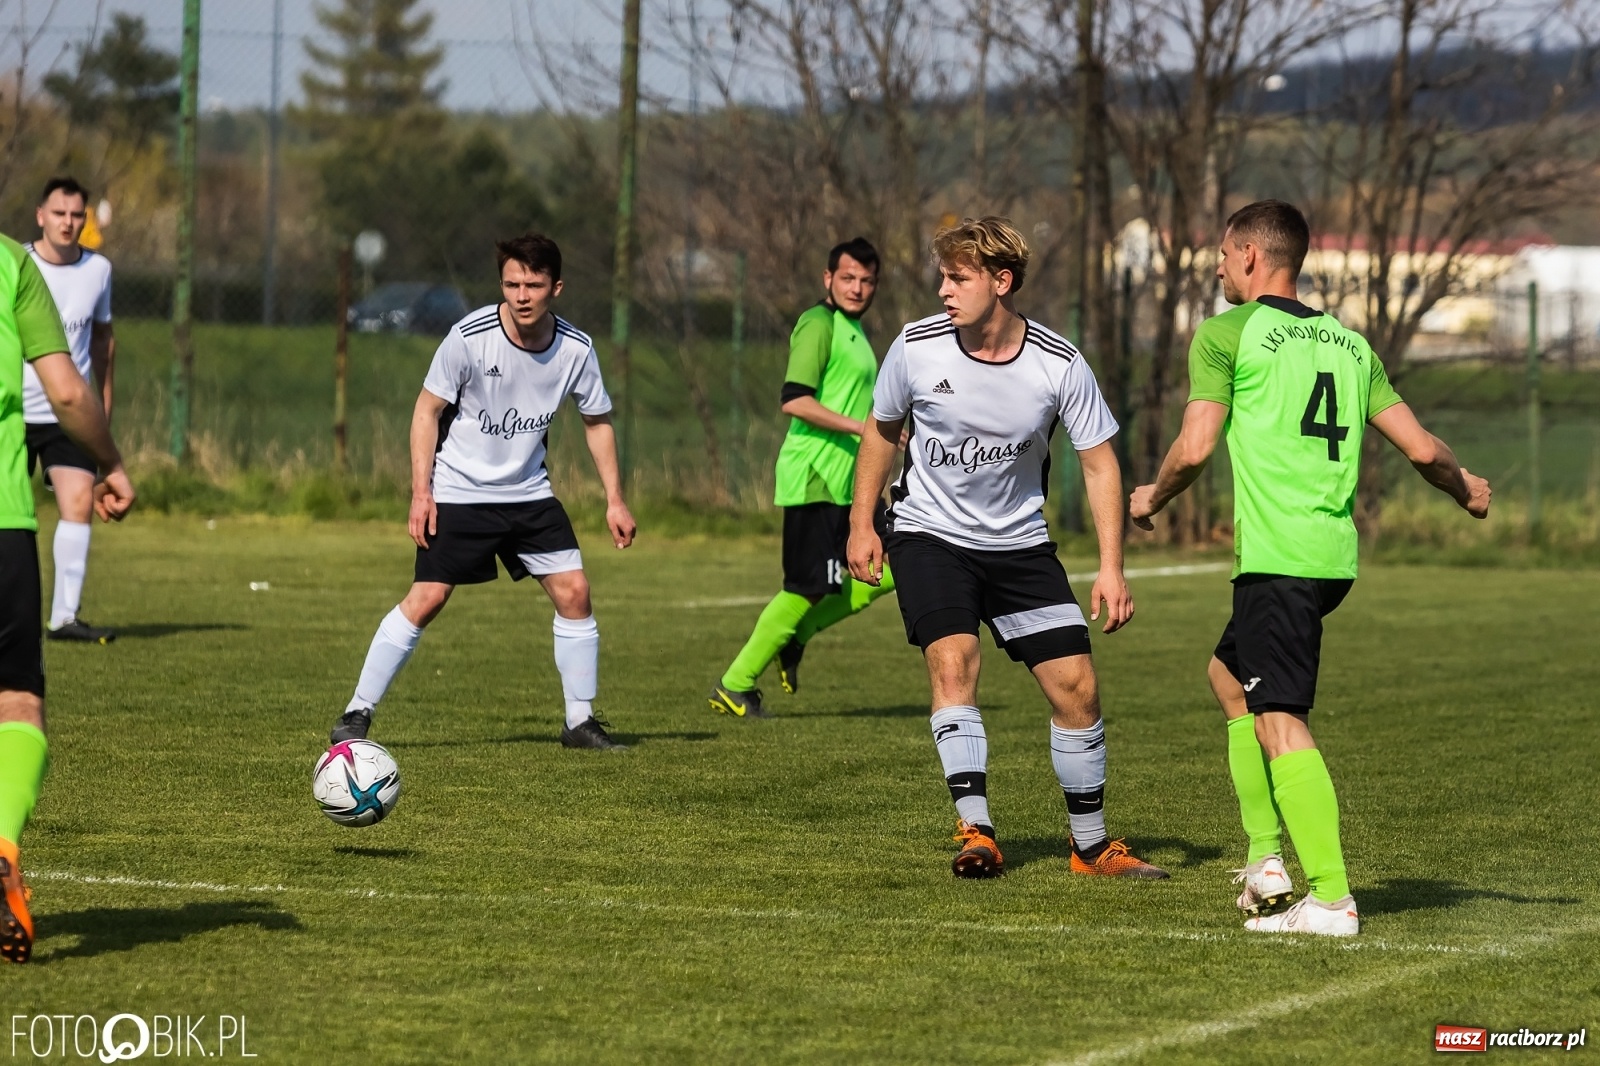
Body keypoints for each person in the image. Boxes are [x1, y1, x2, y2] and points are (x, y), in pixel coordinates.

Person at [1130, 199, 1492, 936]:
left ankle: (1329, 898)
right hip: (1330, 559)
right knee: (1227, 678)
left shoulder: (1227, 335)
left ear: (1254, 257)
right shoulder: (1351, 346)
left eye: (1226, 255)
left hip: (1278, 558)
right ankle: (1266, 859)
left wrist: (1152, 495)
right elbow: (1422, 449)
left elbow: (1195, 447)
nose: (1220, 267)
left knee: (1281, 720)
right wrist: (1467, 488)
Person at [848, 217, 1167, 880]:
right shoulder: (915, 348)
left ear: (1003, 281)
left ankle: (1090, 848)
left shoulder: (1057, 362)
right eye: (942, 276)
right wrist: (860, 524)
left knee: (1077, 686)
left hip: (1020, 546)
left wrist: (1111, 567)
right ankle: (978, 832)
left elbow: (1101, 464)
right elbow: (881, 433)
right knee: (955, 663)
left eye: (958, 278)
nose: (943, 290)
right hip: (929, 534)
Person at [329, 233, 637, 751]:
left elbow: (597, 421)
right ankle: (356, 712)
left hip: (528, 493)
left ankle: (580, 724)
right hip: (458, 490)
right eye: (512, 283)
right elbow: (426, 411)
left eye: (533, 284)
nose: (521, 295)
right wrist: (420, 492)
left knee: (575, 592)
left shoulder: (576, 350)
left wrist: (615, 498)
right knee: (427, 598)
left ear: (555, 288)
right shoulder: (469, 337)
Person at [0, 230, 135, 963]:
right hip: (2, 522)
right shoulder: (11, 263)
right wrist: (109, 461)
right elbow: (67, 390)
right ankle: (3, 842)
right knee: (16, 699)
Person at [707, 238, 896, 719]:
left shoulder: (854, 330)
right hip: (814, 473)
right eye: (848, 278)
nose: (857, 287)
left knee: (886, 570)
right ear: (827, 279)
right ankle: (735, 684)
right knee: (806, 587)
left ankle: (799, 635)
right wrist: (865, 428)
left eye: (867, 280)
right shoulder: (818, 324)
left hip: (846, 480)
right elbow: (795, 399)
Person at [23, 177, 116, 643]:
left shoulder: (98, 270)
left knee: (78, 502)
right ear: (41, 215)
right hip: (16, 408)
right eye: (59, 213)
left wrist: (102, 404)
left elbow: (102, 339)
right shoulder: (17, 264)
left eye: (77, 215)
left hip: (69, 412)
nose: (68, 222)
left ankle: (64, 617)